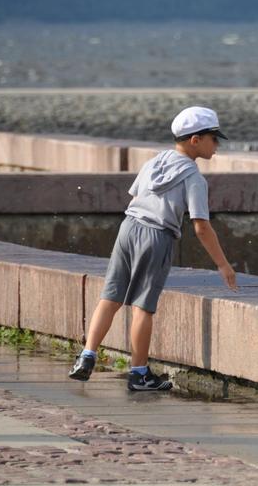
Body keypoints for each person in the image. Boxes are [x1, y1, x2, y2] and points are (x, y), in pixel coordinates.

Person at [69, 106, 238, 391]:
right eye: (213, 138)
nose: (217, 145)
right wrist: (223, 264)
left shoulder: (154, 162)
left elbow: (135, 195)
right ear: (195, 140)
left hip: (128, 227)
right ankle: (139, 374)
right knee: (143, 308)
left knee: (110, 297)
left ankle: (87, 355)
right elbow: (200, 226)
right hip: (157, 235)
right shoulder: (194, 178)